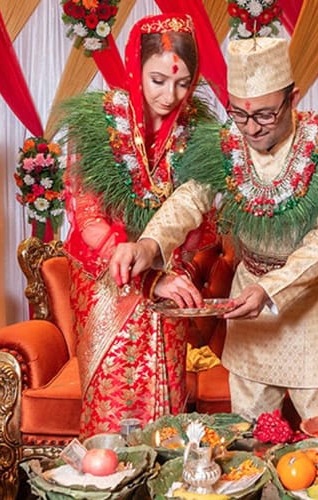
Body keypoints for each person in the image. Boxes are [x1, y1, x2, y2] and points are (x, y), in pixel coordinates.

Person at [109, 37, 318, 422]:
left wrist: (270, 288)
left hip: (315, 308)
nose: (251, 129)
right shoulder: (225, 145)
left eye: (264, 115)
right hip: (249, 307)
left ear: (292, 99)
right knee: (250, 433)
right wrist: (149, 244)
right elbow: (190, 198)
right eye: (239, 116)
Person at [58, 14, 218, 437]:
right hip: (107, 283)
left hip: (168, 277)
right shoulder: (95, 125)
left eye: (183, 83)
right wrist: (142, 272)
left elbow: (196, 219)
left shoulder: (198, 132)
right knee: (113, 405)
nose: (170, 95)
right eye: (158, 80)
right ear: (135, 66)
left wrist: (164, 268)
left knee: (165, 406)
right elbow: (87, 214)